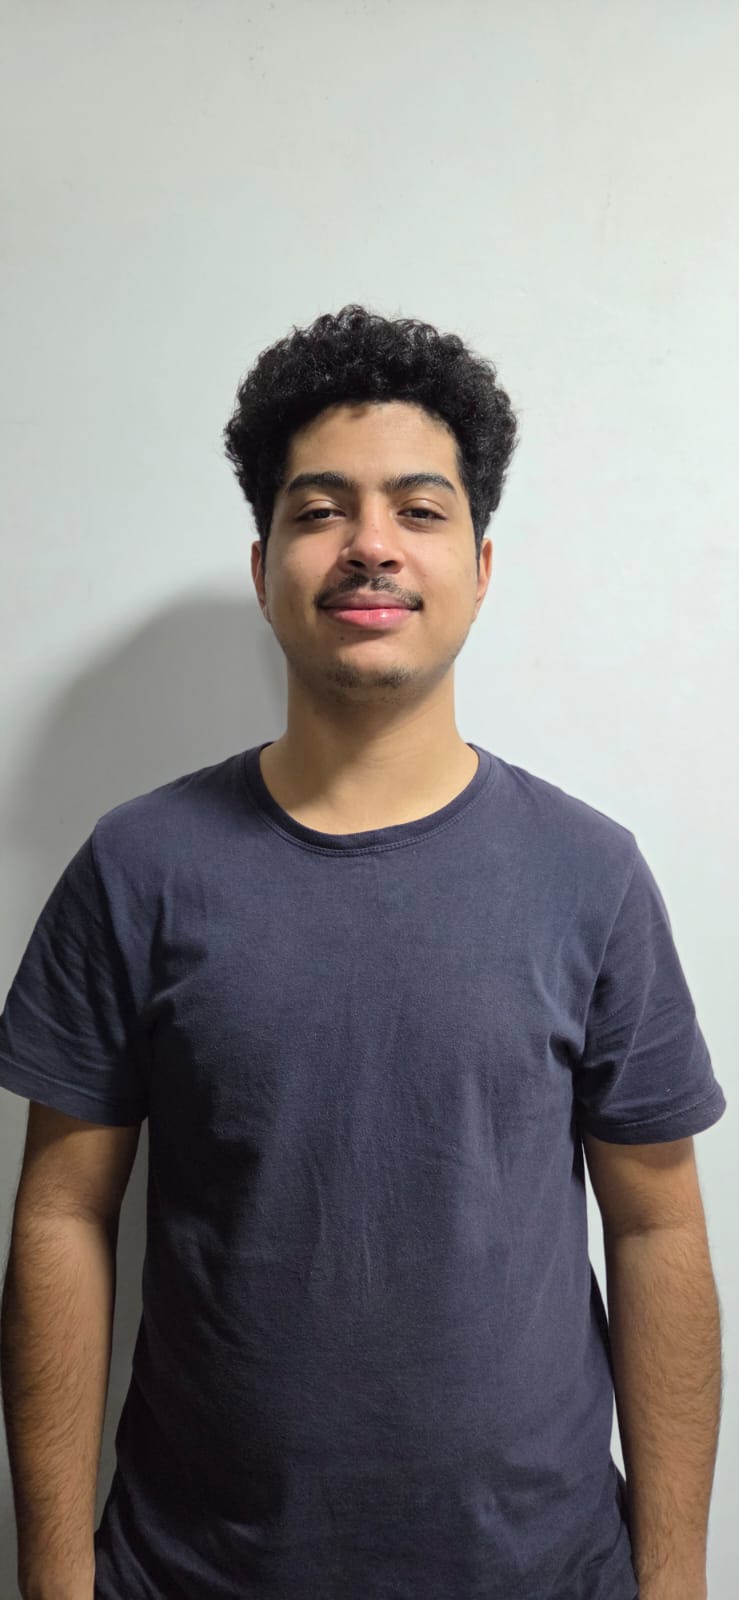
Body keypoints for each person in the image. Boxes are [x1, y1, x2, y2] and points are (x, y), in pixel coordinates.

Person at [0, 303, 725, 1600]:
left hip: (542, 1574)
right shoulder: (137, 866)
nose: (371, 545)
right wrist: (53, 1579)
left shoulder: (591, 874)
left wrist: (674, 1583)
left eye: (419, 509)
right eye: (322, 509)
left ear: (482, 567)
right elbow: (61, 1214)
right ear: (264, 563)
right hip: (194, 1573)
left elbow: (659, 1227)